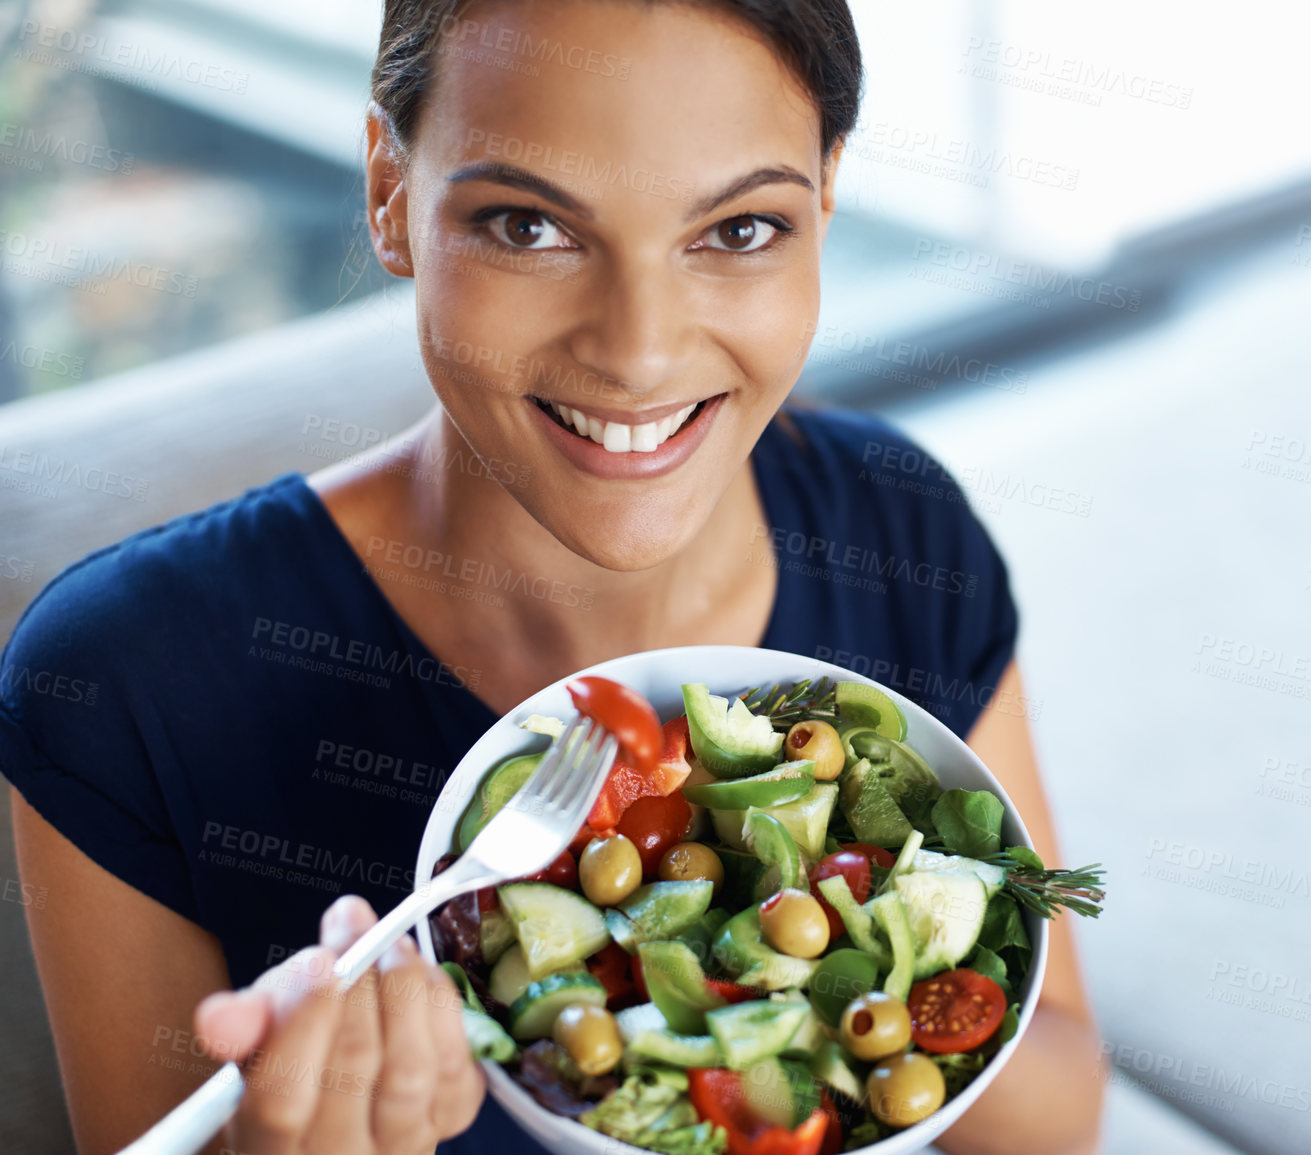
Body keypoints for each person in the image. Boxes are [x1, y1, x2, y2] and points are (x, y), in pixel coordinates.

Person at [2, 1, 1106, 1152]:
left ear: (827, 198)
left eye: (737, 230)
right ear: (390, 192)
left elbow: (1058, 1118)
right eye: (528, 226)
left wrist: (896, 941)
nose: (637, 351)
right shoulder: (126, 677)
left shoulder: (899, 528)